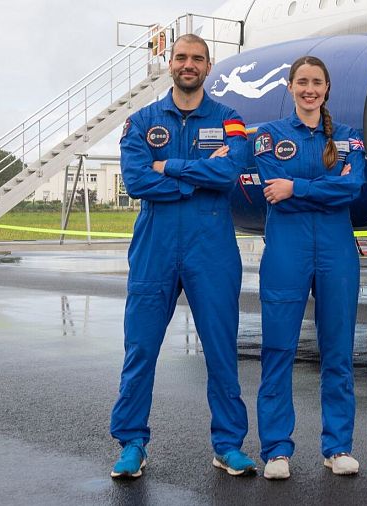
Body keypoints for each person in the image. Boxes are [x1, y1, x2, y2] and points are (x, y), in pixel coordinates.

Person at [110, 34, 256, 479]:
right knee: (140, 348)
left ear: (209, 66)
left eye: (197, 58)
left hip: (210, 245)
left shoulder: (231, 120)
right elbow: (136, 180)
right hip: (155, 244)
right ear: (169, 64)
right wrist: (198, 179)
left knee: (219, 349)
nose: (188, 64)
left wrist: (168, 167)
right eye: (181, 57)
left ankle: (228, 445)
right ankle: (132, 442)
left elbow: (229, 171)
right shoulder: (141, 121)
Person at [253, 55, 365, 480]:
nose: (309, 89)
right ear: (290, 85)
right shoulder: (268, 136)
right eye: (302, 81)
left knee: (338, 350)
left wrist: (296, 186)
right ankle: (277, 449)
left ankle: (337, 447)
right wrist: (324, 190)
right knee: (278, 349)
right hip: (287, 250)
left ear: (327, 87)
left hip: (336, 251)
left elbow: (351, 188)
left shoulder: (349, 137)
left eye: (317, 82)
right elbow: (270, 187)